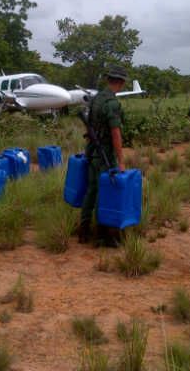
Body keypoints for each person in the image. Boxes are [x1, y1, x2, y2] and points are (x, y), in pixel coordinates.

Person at [79, 65, 127, 245]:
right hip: (104, 154)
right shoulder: (112, 103)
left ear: (109, 80)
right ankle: (102, 236)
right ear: (121, 83)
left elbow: (90, 125)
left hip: (92, 152)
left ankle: (83, 231)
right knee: (103, 193)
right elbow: (115, 133)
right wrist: (121, 161)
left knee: (91, 191)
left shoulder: (96, 98)